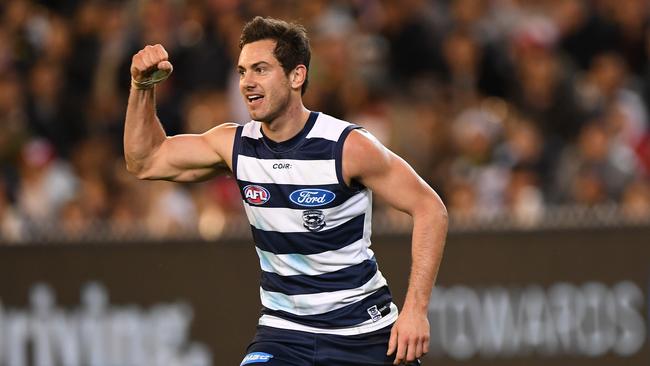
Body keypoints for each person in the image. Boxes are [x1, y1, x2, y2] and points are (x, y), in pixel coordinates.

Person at [124, 16, 447, 366]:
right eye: (243, 71)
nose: (247, 82)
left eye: (260, 69)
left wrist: (415, 310)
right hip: (285, 333)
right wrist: (142, 88)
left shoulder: (347, 147)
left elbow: (430, 208)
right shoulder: (234, 145)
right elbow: (145, 160)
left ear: (297, 76)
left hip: (363, 334)